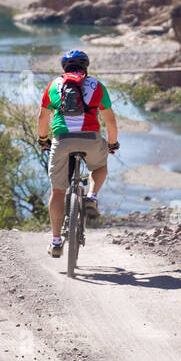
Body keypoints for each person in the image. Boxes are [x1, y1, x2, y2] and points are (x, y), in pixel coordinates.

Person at [38, 49, 119, 257]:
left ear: (64, 67)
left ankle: (56, 242)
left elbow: (42, 117)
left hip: (62, 139)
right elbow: (110, 120)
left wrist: (43, 139)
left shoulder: (54, 85)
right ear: (86, 67)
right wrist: (112, 143)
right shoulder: (96, 86)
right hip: (90, 138)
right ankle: (91, 196)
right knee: (99, 166)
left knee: (57, 191)